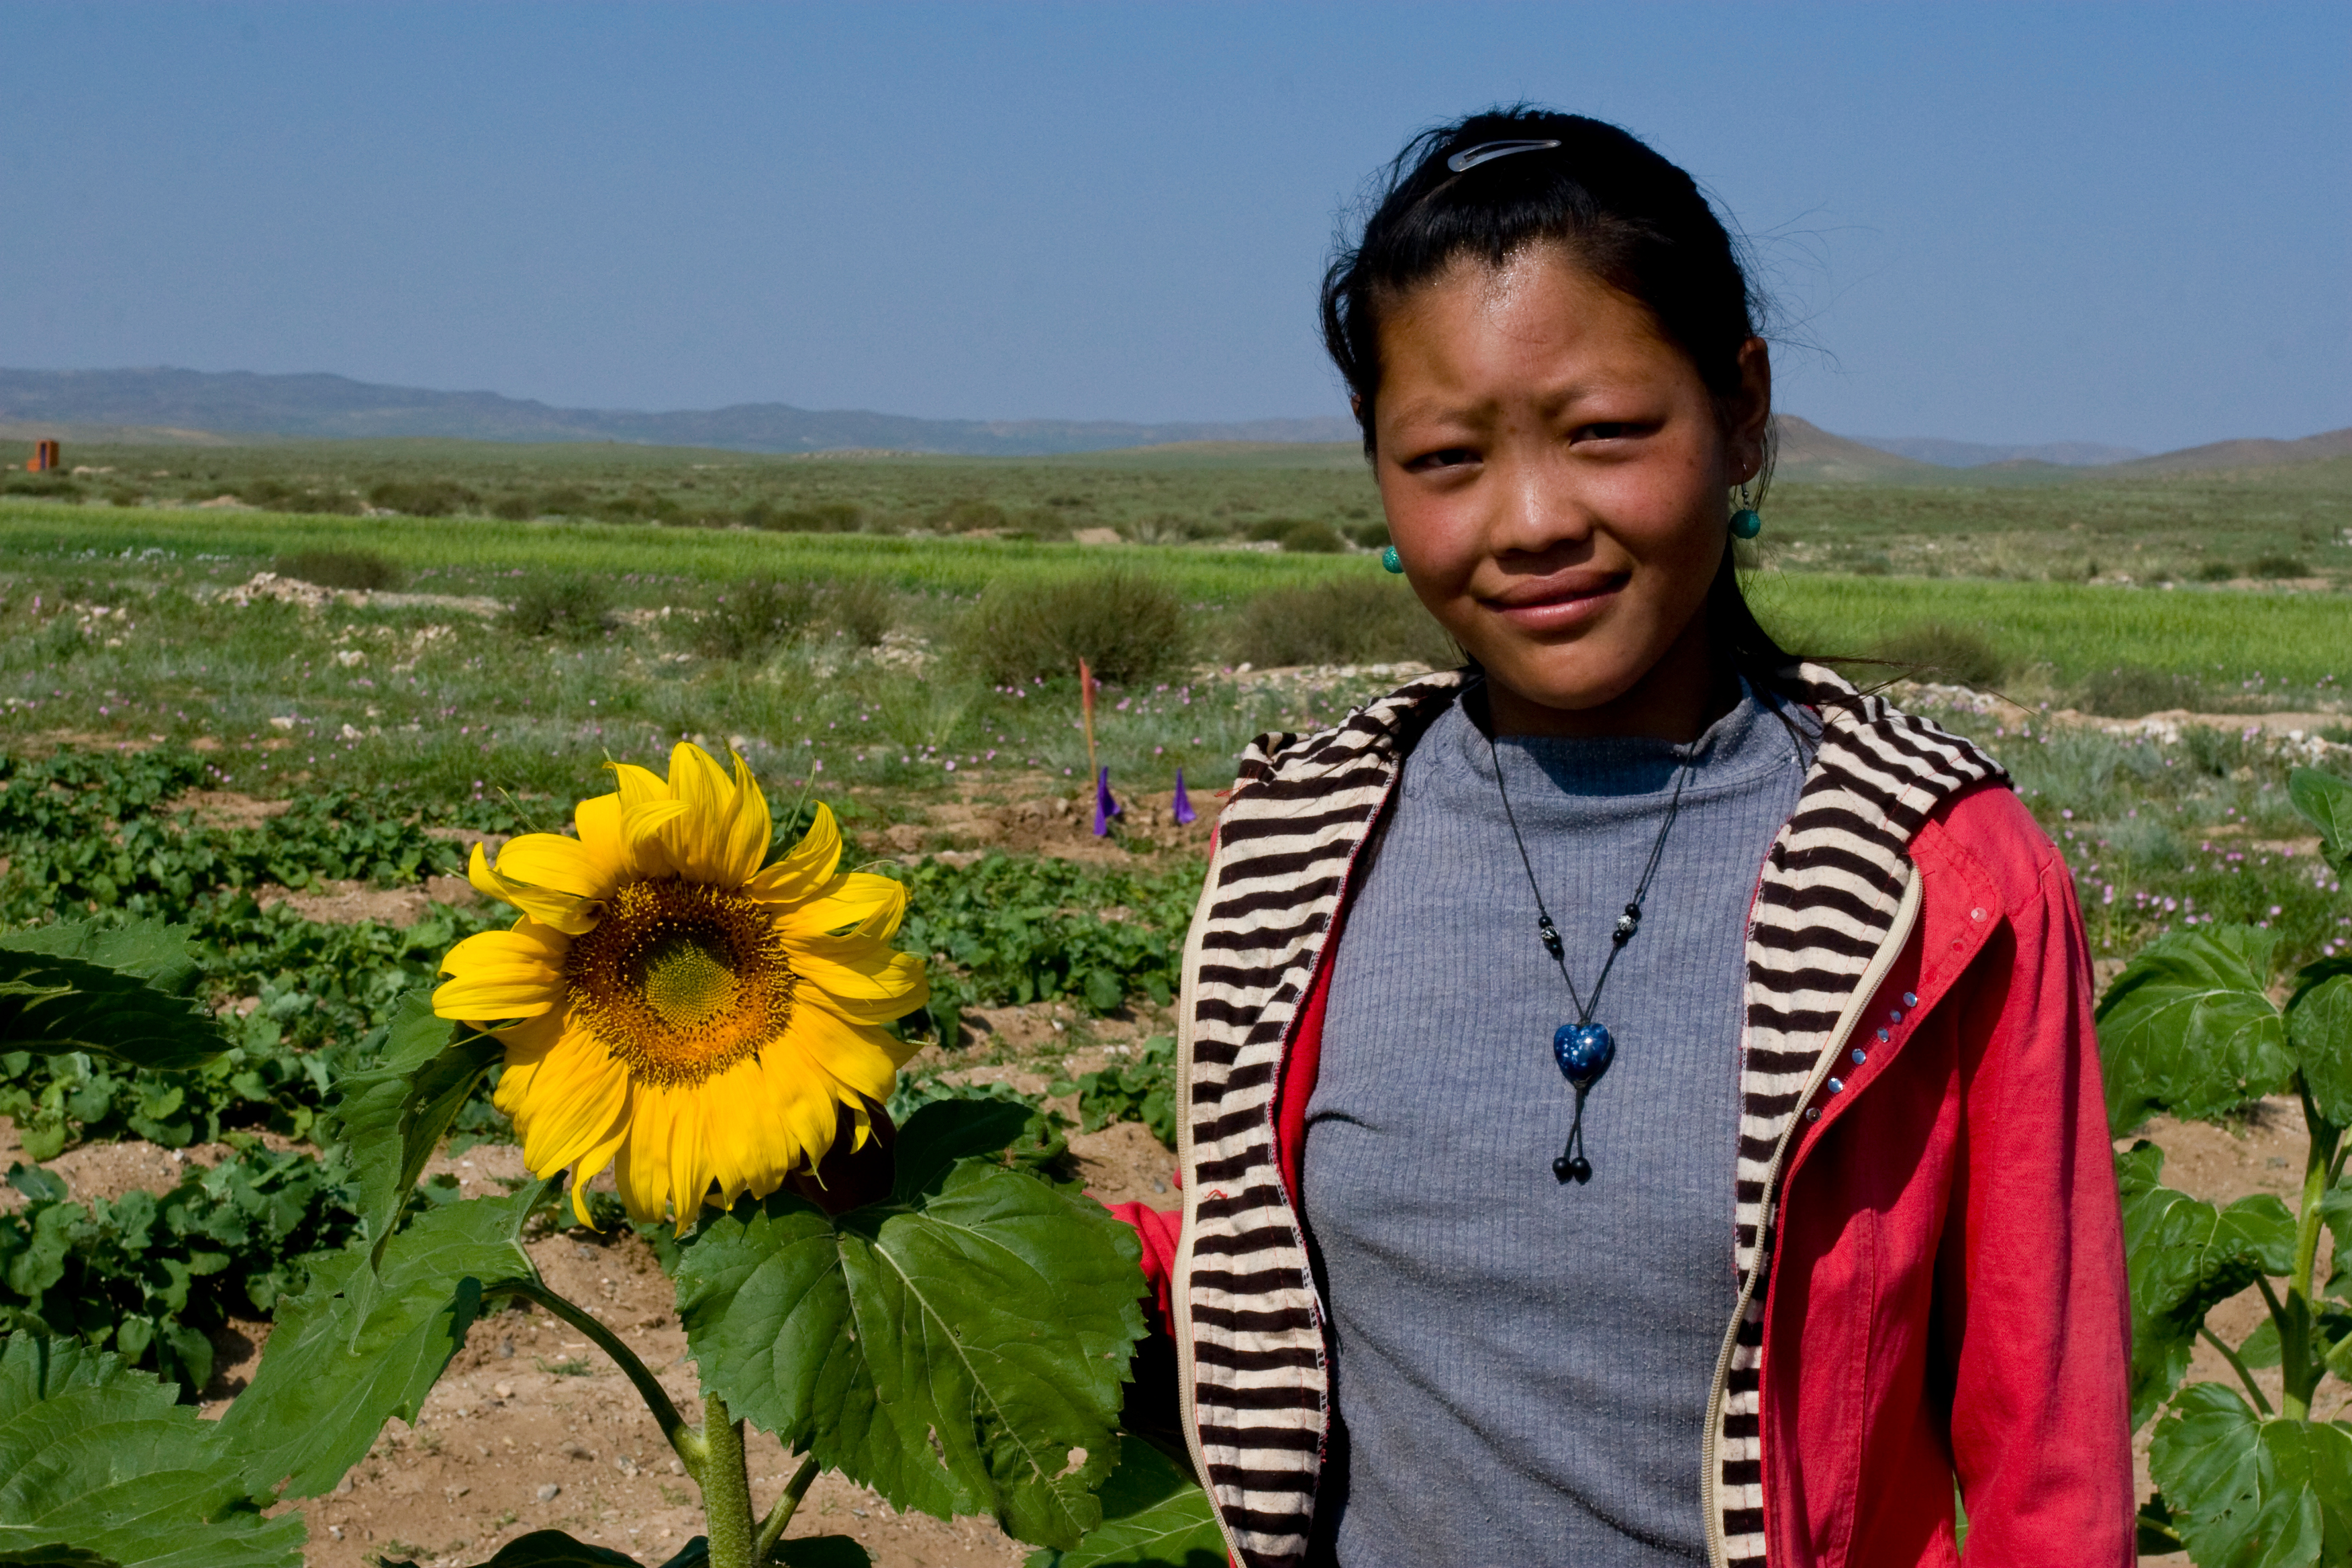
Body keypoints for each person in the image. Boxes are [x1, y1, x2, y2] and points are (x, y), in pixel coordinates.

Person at [1110, 108, 2131, 1567]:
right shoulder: (1301, 843)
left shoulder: (1936, 881)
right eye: (1446, 455)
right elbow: (1258, 1275)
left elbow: (2049, 1465)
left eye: (1603, 433)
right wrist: (972, 1229)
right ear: (1378, 475)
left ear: (1742, 412)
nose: (1532, 519)